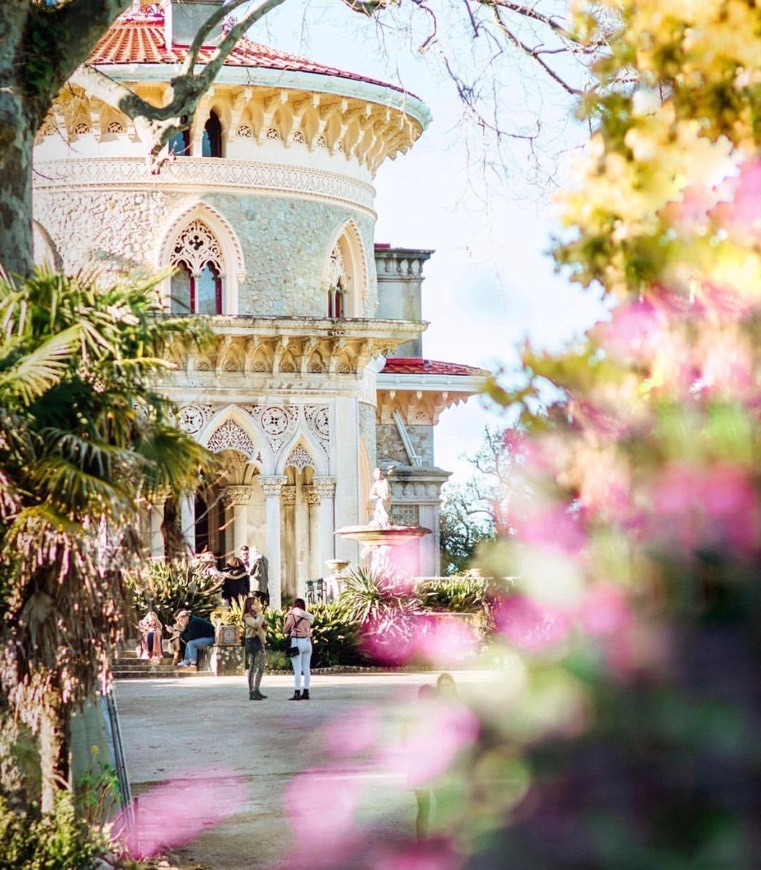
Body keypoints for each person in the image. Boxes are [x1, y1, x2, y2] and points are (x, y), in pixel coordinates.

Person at [283, 597, 314, 700]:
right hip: (308, 642)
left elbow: (285, 629)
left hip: (297, 641)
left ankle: (297, 692)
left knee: (297, 669)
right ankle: (306, 691)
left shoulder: (293, 615)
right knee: (306, 668)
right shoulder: (308, 616)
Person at [243, 596, 268, 700]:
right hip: (252, 642)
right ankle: (251, 691)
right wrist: (261, 616)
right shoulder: (247, 616)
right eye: (254, 603)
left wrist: (265, 625)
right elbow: (255, 624)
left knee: (261, 667)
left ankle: (257, 689)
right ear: (249, 605)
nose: (257, 605)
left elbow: (262, 628)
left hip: (260, 642)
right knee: (253, 667)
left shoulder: (257, 616)